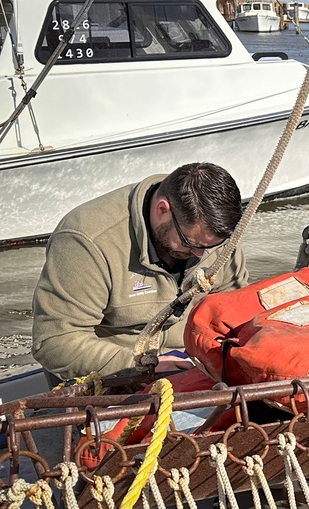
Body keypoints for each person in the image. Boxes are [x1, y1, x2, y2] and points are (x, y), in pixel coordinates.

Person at [33, 162, 249, 381]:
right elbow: (54, 342)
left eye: (209, 247)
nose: (200, 255)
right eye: (189, 243)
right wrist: (139, 365)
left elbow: (236, 312)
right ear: (162, 210)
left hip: (197, 370)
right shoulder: (87, 240)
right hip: (111, 380)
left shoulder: (214, 235)